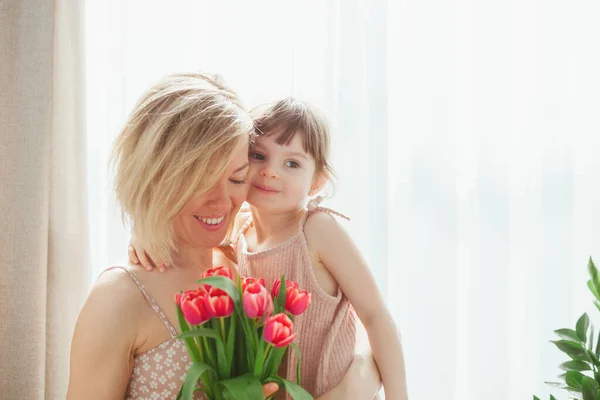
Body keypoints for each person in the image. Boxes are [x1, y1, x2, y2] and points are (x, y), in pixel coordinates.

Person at [69, 73, 380, 400]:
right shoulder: (118, 298)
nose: (221, 203)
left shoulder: (246, 261)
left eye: (236, 179)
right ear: (156, 179)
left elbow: (348, 326)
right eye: (200, 182)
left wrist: (360, 376)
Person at [130, 97, 407, 399]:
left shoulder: (317, 230)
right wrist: (144, 235)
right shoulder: (237, 233)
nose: (270, 171)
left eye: (292, 163)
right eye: (259, 156)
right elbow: (185, 233)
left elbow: (376, 315)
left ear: (317, 181)